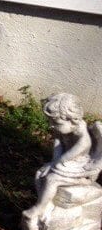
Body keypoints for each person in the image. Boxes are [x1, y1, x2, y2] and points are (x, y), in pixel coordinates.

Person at [25, 93, 99, 223]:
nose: (51, 125)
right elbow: (58, 145)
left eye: (55, 122)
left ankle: (39, 208)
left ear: (72, 119)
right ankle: (46, 203)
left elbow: (81, 147)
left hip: (79, 165)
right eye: (50, 121)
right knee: (40, 173)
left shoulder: (81, 132)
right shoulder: (62, 129)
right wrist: (54, 162)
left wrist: (58, 162)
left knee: (52, 179)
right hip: (66, 162)